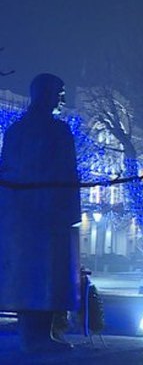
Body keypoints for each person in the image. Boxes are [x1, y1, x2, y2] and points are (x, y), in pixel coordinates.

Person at [0, 74, 81, 353]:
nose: (62, 99)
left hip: (20, 216)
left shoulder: (15, 131)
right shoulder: (58, 131)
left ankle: (33, 334)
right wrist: (70, 210)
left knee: (29, 274)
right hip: (49, 214)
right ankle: (38, 337)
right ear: (45, 94)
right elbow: (68, 174)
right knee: (48, 273)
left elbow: (6, 174)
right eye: (60, 93)